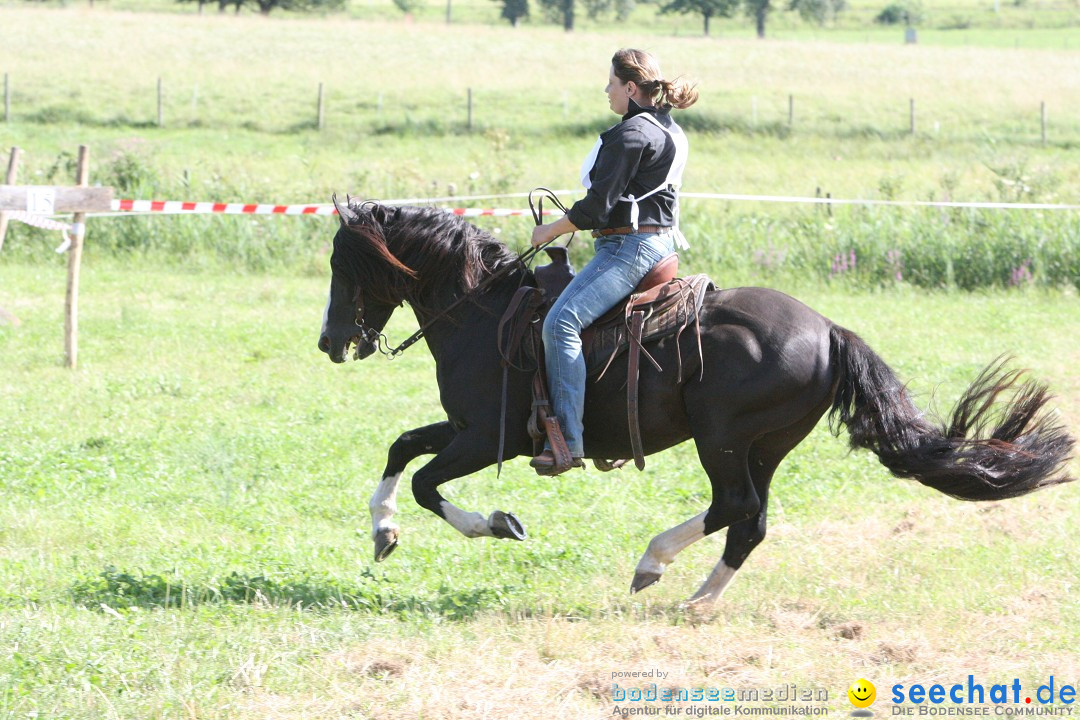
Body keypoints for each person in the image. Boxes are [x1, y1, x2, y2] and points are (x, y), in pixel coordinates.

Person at [529, 48, 699, 476]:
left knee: (560, 323)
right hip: (658, 245)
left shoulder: (631, 134)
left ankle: (566, 440)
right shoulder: (671, 129)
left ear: (629, 87)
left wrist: (548, 231)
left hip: (630, 250)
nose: (605, 90)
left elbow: (595, 210)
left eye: (610, 83)